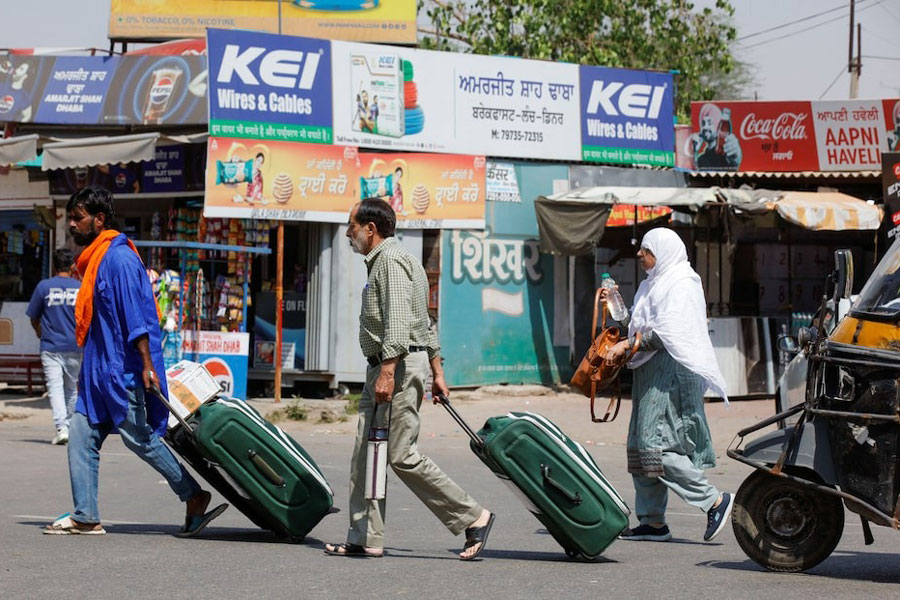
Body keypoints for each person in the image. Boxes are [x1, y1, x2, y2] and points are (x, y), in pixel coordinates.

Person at [43, 186, 227, 536]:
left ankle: (193, 497)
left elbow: (137, 318)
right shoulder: (96, 259)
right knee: (81, 437)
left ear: (99, 220)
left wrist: (145, 365)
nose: (72, 225)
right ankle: (86, 515)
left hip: (121, 369)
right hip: (97, 371)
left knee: (139, 438)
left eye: (78, 218)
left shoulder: (119, 259)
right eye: (72, 218)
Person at [324, 198, 494, 560]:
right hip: (391, 366)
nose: (348, 233)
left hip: (395, 367)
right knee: (364, 456)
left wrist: (389, 372)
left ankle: (473, 516)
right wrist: (437, 370)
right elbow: (425, 319)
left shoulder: (389, 261)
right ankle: (365, 537)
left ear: (371, 229)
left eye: (351, 226)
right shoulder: (396, 260)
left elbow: (400, 323)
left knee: (401, 454)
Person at [601, 227, 733, 543]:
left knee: (657, 446)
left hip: (672, 370)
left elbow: (668, 332)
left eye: (645, 250)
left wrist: (628, 345)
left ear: (662, 251)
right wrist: (616, 308)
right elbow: (639, 324)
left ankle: (713, 500)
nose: (639, 254)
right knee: (639, 445)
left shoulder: (682, 283)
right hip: (650, 370)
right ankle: (652, 522)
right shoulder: (652, 285)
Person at [26, 248, 82, 445]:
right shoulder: (80, 287)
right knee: (71, 388)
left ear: (53, 265)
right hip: (75, 346)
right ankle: (71, 427)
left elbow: (33, 317)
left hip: (50, 347)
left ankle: (62, 428)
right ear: (72, 265)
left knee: (56, 388)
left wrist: (40, 332)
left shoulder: (44, 287)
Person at [692, 103, 741, 170]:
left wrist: (736, 154)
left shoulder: (724, 153)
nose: (705, 127)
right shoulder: (701, 159)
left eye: (710, 123)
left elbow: (735, 161)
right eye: (703, 123)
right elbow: (693, 173)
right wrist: (695, 152)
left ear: (718, 126)